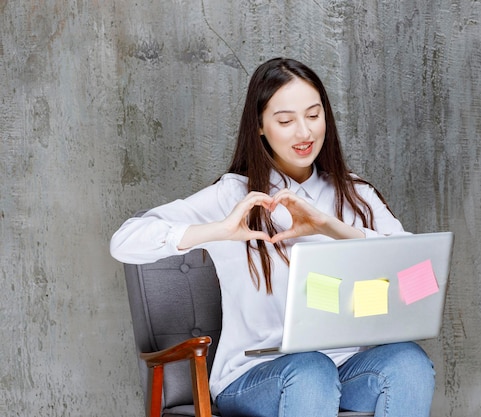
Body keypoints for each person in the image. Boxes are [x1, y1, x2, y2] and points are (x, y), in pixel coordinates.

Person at [110, 57, 435, 417]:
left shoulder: (353, 193)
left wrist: (329, 226)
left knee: (409, 362)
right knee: (310, 370)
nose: (304, 133)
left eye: (313, 116)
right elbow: (125, 241)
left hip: (346, 371)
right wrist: (219, 231)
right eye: (285, 121)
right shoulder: (233, 196)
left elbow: (419, 275)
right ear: (260, 126)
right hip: (255, 377)